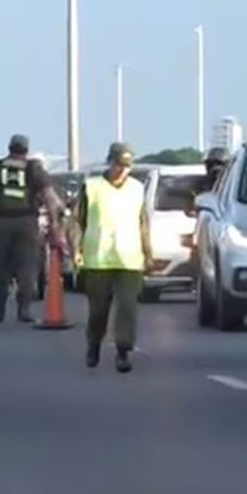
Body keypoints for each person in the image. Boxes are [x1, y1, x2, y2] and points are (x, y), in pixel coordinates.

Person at [72, 143, 153, 373]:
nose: (122, 170)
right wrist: (76, 249)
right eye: (118, 165)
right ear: (109, 162)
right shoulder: (92, 187)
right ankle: (94, 344)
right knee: (99, 311)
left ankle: (123, 351)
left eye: (126, 166)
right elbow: (78, 221)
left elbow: (143, 224)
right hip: (98, 260)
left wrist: (148, 254)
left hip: (129, 260)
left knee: (127, 307)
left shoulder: (137, 189)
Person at [0, 134, 63, 323]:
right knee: (27, 267)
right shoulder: (33, 169)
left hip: (3, 222)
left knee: (1, 268)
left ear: (9, 148)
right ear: (26, 150)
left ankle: (0, 309)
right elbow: (49, 197)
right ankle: (23, 309)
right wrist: (54, 223)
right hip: (27, 223)